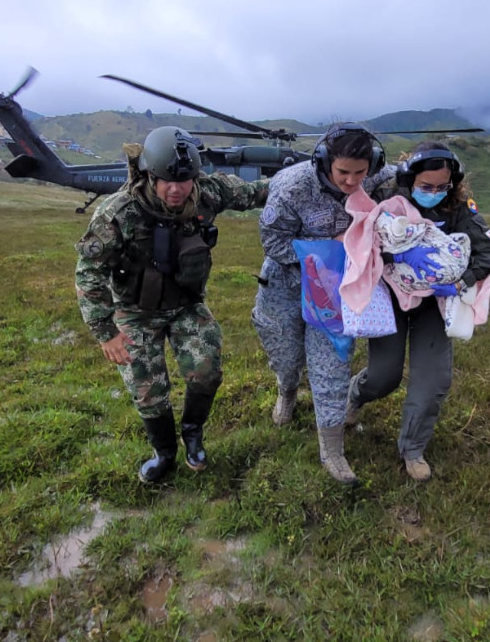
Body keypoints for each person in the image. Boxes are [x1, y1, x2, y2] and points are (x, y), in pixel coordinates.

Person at [75, 126, 269, 483]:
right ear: (150, 175)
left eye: (184, 181)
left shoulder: (207, 193)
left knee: (206, 370)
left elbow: (258, 191)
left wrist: (309, 179)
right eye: (167, 181)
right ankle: (164, 453)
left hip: (185, 305)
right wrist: (106, 333)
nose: (176, 189)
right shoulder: (118, 214)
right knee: (147, 389)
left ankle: (192, 432)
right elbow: (89, 274)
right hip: (135, 311)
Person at [346, 141, 490, 481]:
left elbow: (489, 253)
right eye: (426, 187)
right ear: (409, 178)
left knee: (432, 379)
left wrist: (459, 284)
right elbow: (361, 242)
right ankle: (355, 396)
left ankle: (413, 449)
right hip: (392, 296)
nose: (433, 193)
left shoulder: (459, 208)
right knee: (384, 375)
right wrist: (397, 256)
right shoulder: (387, 196)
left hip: (434, 302)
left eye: (441, 187)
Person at [252, 123, 395, 484]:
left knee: (333, 363)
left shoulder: (377, 176)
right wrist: (327, 250)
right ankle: (287, 390)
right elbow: (272, 240)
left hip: (333, 291)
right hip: (286, 283)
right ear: (323, 160)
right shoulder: (292, 186)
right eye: (343, 172)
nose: (352, 181)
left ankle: (332, 450)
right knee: (285, 354)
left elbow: (419, 176)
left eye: (360, 172)